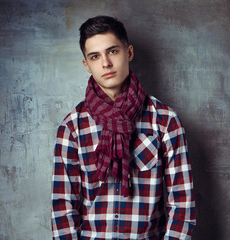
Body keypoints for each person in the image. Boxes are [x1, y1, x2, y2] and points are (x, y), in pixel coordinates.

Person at [51, 15, 196, 240]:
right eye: (95, 56)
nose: (106, 63)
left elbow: (182, 205)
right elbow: (63, 209)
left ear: (128, 53)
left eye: (113, 51)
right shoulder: (73, 127)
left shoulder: (165, 121)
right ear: (86, 65)